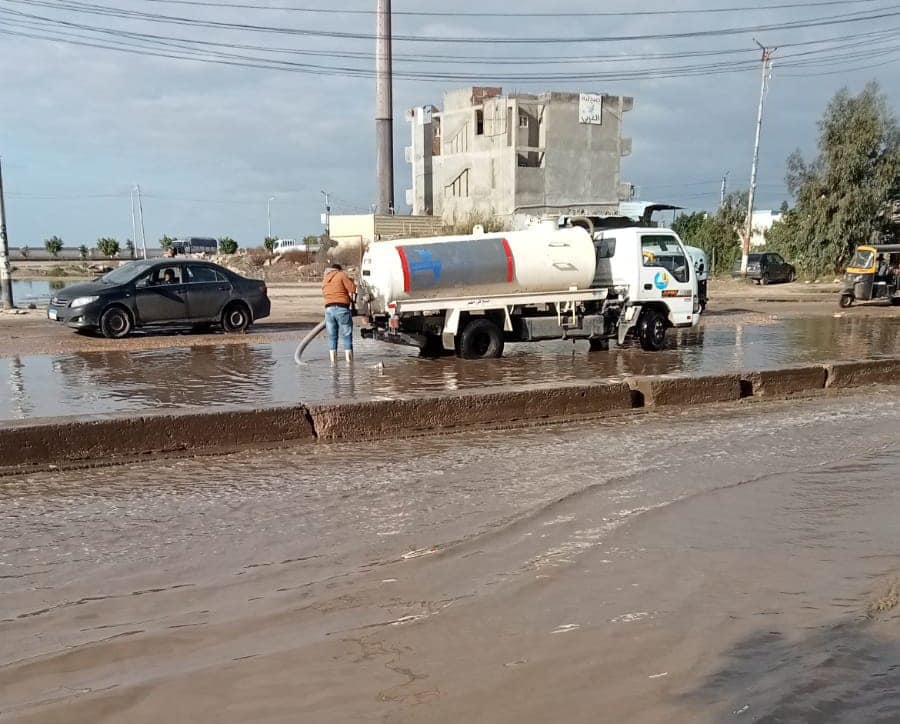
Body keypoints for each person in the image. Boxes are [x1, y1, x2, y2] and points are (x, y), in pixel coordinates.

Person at [322, 263, 356, 363]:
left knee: (332, 336)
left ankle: (333, 362)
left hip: (328, 310)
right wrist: (351, 281)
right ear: (338, 269)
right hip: (341, 308)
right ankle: (349, 362)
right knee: (346, 335)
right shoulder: (341, 275)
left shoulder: (325, 278)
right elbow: (352, 289)